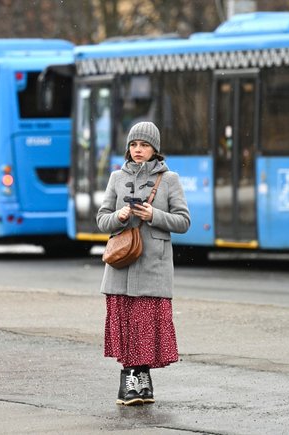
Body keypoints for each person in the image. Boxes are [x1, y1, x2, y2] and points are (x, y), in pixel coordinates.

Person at [97, 121, 190, 406]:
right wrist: (120, 216)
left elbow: (184, 221)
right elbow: (102, 220)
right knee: (126, 323)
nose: (138, 150)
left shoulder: (170, 179)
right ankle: (129, 381)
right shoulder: (116, 177)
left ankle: (142, 381)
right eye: (134, 145)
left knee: (145, 325)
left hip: (153, 267)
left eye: (145, 145)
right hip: (121, 264)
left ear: (155, 150)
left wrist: (154, 215)